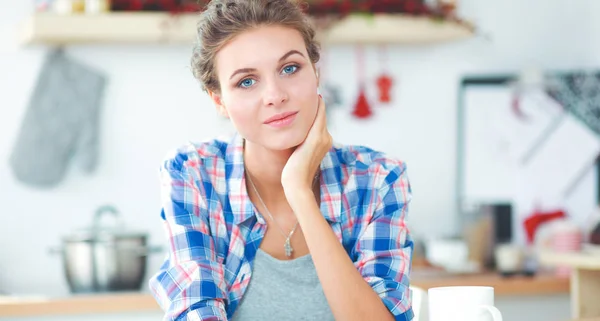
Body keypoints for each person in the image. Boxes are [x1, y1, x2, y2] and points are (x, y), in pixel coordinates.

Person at [148, 0, 414, 320]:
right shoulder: (193, 174)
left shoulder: (378, 179)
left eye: (290, 68)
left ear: (315, 72)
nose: (275, 95)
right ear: (219, 100)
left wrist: (299, 192)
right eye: (247, 81)